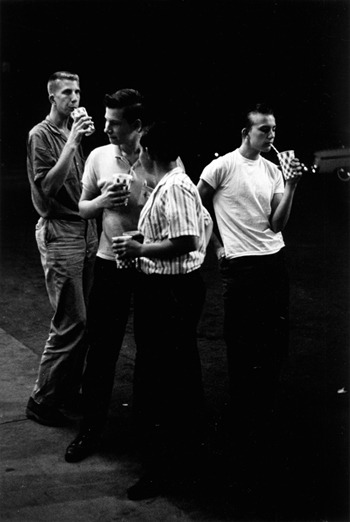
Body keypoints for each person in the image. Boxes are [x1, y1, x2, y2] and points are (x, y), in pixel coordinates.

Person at [197, 103, 303, 486]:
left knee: (274, 342)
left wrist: (291, 185)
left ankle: (262, 415)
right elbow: (197, 202)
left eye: (273, 130)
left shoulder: (274, 170)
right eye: (264, 130)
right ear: (246, 133)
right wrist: (217, 244)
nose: (271, 136)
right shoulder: (223, 166)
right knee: (241, 342)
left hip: (273, 261)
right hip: (239, 266)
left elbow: (277, 223)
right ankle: (238, 417)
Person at [112, 121, 213, 500]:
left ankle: (170, 468)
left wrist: (141, 250)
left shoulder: (176, 185)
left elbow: (187, 239)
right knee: (164, 378)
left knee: (166, 381)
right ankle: (170, 464)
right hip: (163, 289)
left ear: (150, 153)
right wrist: (144, 240)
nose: (137, 157)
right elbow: (181, 232)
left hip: (170, 293)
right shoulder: (170, 185)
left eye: (141, 152)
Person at [64, 88, 160, 463]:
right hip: (108, 263)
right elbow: (83, 207)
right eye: (104, 120)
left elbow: (177, 199)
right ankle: (90, 429)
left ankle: (143, 431)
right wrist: (103, 202)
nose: (105, 128)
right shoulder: (100, 156)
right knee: (102, 350)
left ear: (136, 126)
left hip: (149, 265)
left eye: (114, 123)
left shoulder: (159, 156)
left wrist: (147, 191)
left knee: (151, 352)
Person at [25, 71, 98, 426]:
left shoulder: (75, 132)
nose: (74, 97)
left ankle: (66, 391)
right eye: (67, 92)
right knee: (71, 322)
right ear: (52, 96)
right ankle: (42, 399)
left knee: (86, 322)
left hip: (85, 230)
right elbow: (47, 190)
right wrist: (71, 143)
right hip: (60, 231)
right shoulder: (41, 135)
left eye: (79, 91)